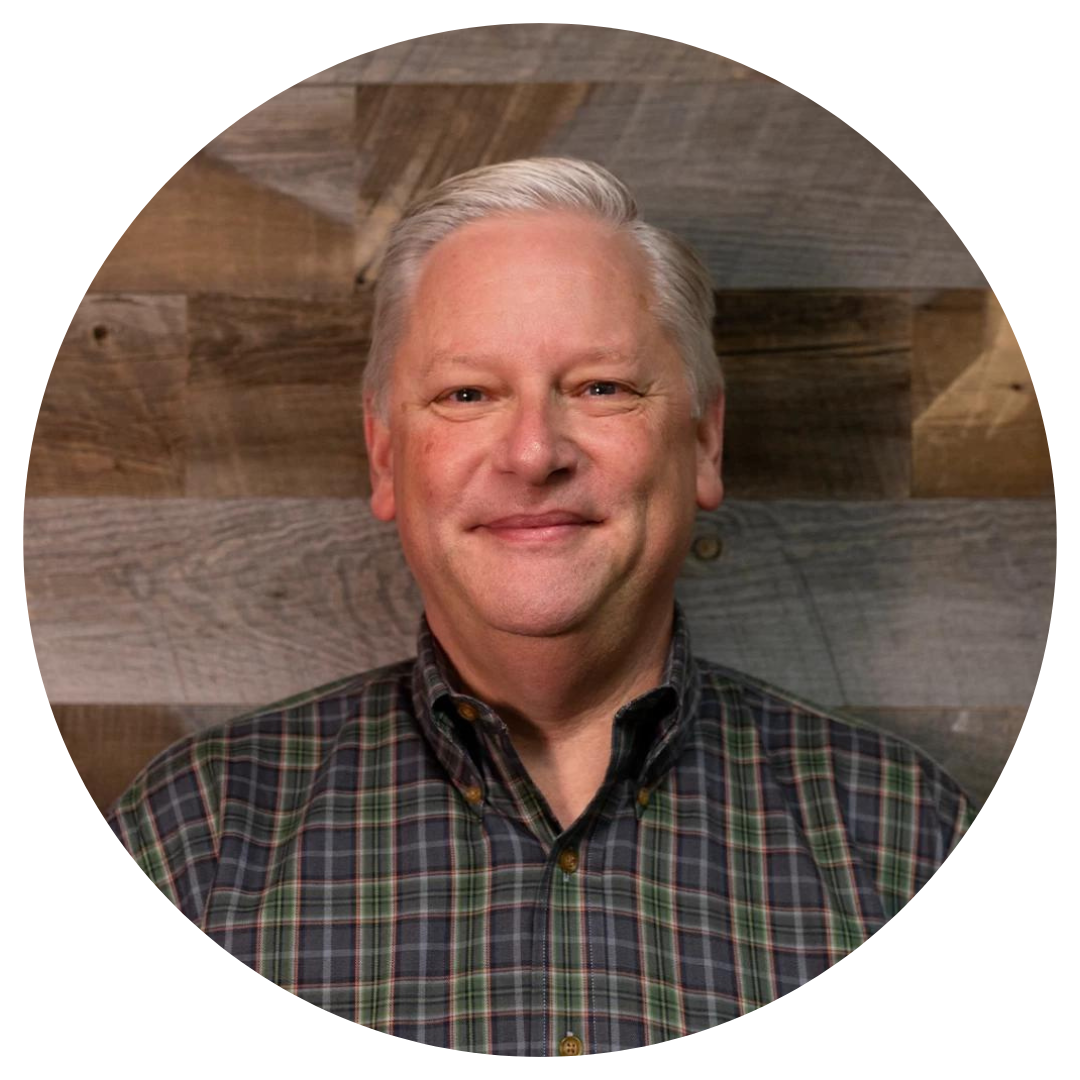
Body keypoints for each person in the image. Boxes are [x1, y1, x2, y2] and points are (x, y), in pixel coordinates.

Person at [106, 157, 973, 1070]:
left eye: (601, 387)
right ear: (385, 456)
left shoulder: (910, 843)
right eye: (467, 394)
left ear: (704, 441)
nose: (532, 452)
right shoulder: (194, 841)